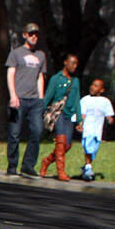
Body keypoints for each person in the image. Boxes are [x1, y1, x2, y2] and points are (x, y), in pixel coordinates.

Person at [5, 24, 47, 176]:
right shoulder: (16, 53)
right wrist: (13, 96)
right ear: (24, 35)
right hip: (19, 99)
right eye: (31, 34)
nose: (34, 36)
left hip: (35, 100)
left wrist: (41, 98)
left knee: (36, 131)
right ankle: (12, 166)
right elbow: (10, 74)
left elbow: (40, 77)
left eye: (36, 33)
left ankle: (28, 165)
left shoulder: (41, 55)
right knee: (15, 134)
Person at [40, 53, 81, 181]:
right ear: (65, 62)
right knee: (61, 141)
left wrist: (79, 119)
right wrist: (39, 112)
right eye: (72, 63)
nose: (74, 66)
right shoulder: (56, 79)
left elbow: (77, 101)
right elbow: (47, 97)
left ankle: (46, 161)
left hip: (69, 114)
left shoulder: (75, 81)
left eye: (76, 64)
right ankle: (61, 172)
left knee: (67, 145)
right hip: (58, 113)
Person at [77, 78, 115, 181]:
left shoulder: (105, 101)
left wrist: (110, 119)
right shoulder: (85, 99)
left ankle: (86, 167)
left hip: (97, 130)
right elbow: (83, 114)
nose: (92, 87)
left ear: (101, 90)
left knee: (93, 151)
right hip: (88, 129)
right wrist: (80, 124)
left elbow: (109, 114)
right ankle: (89, 167)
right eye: (92, 85)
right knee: (88, 147)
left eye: (96, 86)